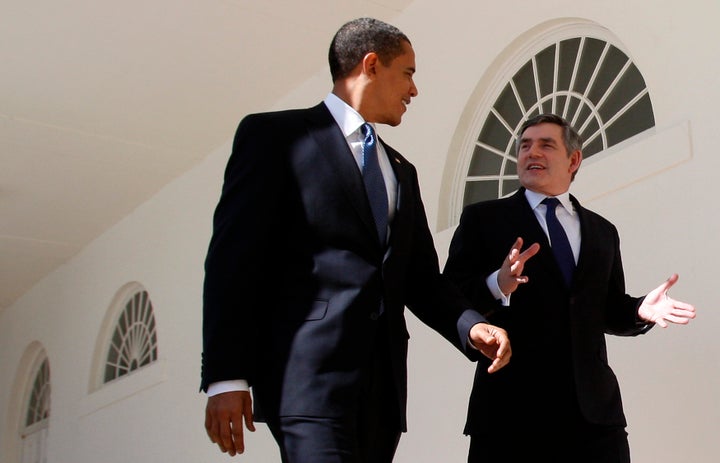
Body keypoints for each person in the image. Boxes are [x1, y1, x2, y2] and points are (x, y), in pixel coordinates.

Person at [200, 17, 513, 463]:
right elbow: (234, 260)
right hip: (306, 382)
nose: (414, 89)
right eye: (408, 73)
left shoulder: (402, 171)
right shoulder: (274, 138)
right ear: (371, 64)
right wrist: (227, 377)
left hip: (382, 393)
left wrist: (470, 324)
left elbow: (420, 278)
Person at [443, 113, 697, 462]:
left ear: (573, 159)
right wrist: (496, 285)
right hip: (511, 415)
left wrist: (639, 309)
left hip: (594, 418)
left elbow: (606, 310)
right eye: (525, 146)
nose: (532, 153)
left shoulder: (602, 231)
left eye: (546, 145)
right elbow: (449, 295)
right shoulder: (483, 219)